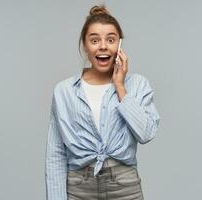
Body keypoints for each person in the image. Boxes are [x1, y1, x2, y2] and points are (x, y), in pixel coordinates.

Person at [45, 5, 161, 200]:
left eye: (111, 39)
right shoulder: (63, 91)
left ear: (120, 45)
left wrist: (120, 87)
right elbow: (56, 153)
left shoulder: (138, 84)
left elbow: (146, 133)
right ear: (85, 45)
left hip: (125, 185)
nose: (103, 46)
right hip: (78, 187)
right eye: (95, 40)